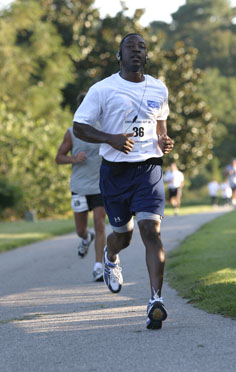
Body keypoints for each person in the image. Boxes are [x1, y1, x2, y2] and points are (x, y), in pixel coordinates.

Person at [73, 33, 174, 330]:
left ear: (146, 56)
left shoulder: (159, 88)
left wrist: (164, 141)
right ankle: (110, 254)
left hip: (149, 171)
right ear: (119, 55)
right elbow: (80, 127)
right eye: (130, 47)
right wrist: (110, 139)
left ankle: (156, 300)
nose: (136, 51)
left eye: (141, 47)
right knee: (124, 235)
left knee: (150, 231)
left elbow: (160, 127)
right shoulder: (102, 89)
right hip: (115, 173)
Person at [55, 93, 106, 282]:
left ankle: (99, 266)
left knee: (100, 223)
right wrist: (73, 158)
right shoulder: (72, 131)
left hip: (100, 186)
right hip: (79, 186)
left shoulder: (105, 129)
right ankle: (86, 238)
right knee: (80, 229)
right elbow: (58, 157)